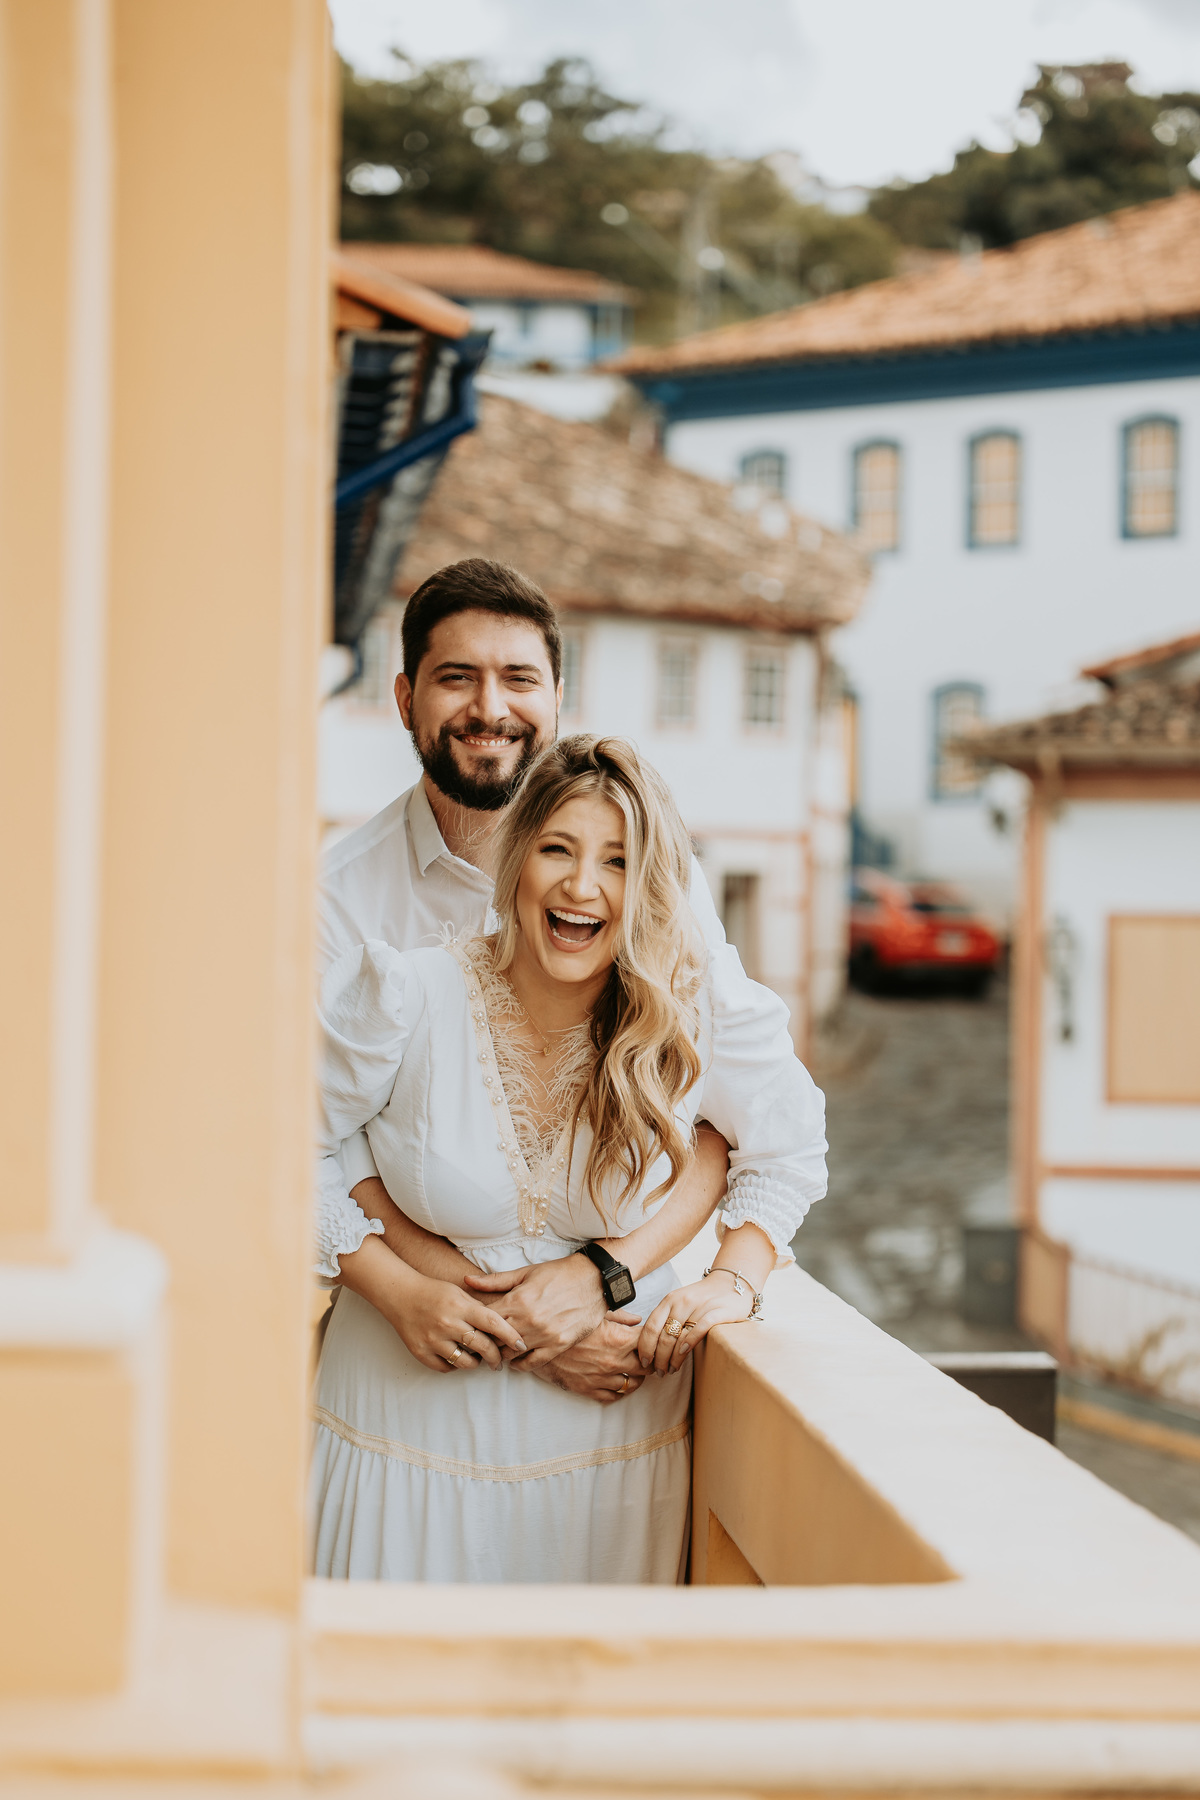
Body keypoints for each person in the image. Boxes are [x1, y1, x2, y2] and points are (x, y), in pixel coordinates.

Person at [312, 736, 826, 1581]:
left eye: (618, 862)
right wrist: (396, 1290)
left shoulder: (688, 1012)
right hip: (404, 1444)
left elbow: (785, 1147)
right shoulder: (403, 995)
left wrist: (731, 1281)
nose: (582, 886)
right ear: (516, 862)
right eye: (557, 849)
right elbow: (286, 1150)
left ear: (652, 886)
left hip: (611, 1469)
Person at [317, 558, 793, 1403]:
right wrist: (487, 1319)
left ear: (557, 698)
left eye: (519, 680)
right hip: (414, 1368)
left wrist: (614, 1281)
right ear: (403, 700)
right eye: (456, 679)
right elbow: (307, 1144)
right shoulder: (337, 900)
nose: (490, 709)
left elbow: (729, 1122)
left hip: (616, 1372)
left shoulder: (654, 892)